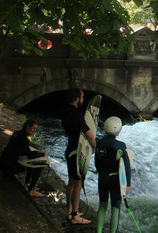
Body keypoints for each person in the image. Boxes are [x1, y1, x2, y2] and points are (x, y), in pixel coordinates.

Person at [61, 89, 96, 225]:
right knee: (78, 183)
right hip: (77, 151)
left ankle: (69, 212)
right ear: (76, 99)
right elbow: (89, 135)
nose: (83, 100)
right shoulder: (76, 114)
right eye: (82, 97)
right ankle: (75, 216)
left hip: (69, 149)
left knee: (70, 181)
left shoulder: (64, 112)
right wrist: (93, 146)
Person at [95, 116, 131, 233]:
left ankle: (99, 231)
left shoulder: (100, 143)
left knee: (102, 205)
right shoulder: (121, 146)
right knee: (115, 208)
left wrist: (102, 173)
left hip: (103, 177)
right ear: (118, 130)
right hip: (116, 179)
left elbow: (97, 163)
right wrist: (128, 184)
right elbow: (126, 166)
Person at [0, 119, 48, 197]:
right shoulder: (23, 138)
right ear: (27, 126)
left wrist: (37, 153)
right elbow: (30, 155)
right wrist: (43, 155)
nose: (34, 131)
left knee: (31, 163)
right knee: (40, 164)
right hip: (8, 168)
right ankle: (31, 190)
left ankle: (27, 184)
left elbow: (24, 151)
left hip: (3, 164)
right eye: (33, 128)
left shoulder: (17, 133)